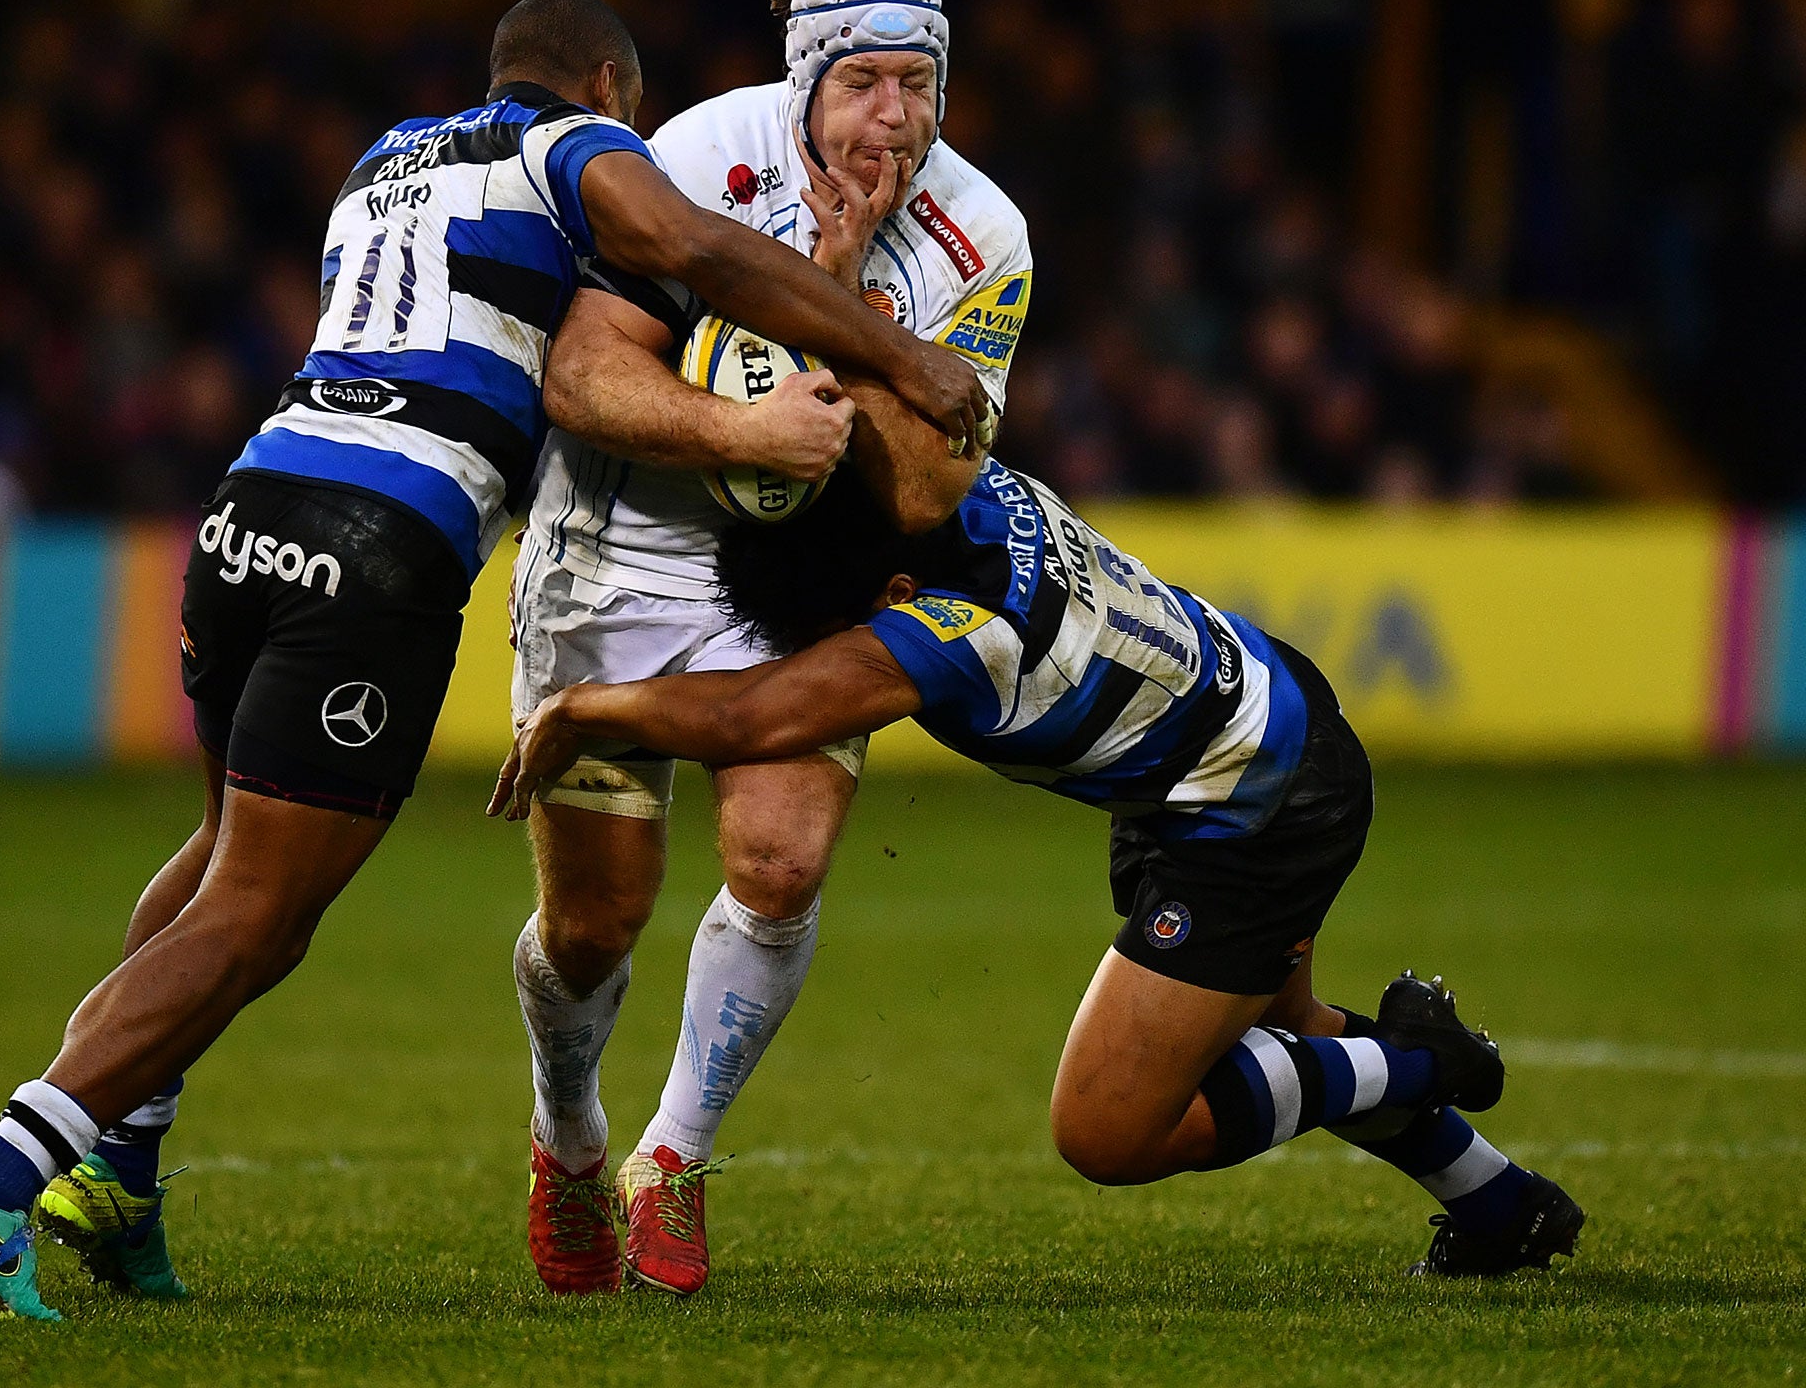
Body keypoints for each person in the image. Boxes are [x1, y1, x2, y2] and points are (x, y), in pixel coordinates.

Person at [0, 0, 984, 1322]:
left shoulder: (387, 158)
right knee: (260, 915)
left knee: (215, 856)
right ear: (604, 84)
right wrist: (894, 350)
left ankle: (120, 1170)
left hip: (251, 504)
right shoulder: (570, 146)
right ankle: (2, 1172)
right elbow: (695, 248)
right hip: (384, 538)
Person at [493, 465, 1586, 1279]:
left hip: (1253, 801)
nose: (828, 663)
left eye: (831, 638)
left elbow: (747, 714)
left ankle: (1417, 1057)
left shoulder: (959, 632)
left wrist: (583, 706)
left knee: (1106, 1127)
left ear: (898, 589)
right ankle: (1502, 1208)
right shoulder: (940, 479)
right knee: (1277, 1029)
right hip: (1215, 738)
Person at [507, 0, 1035, 1295]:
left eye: (919, 84)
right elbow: (581, 375)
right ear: (804, 80)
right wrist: (750, 427)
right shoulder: (690, 156)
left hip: (802, 582)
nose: (894, 117)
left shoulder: (987, 237)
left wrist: (843, 307)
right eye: (861, 81)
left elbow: (924, 487)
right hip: (619, 551)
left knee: (783, 861)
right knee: (593, 927)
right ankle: (567, 1137)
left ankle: (671, 1160)